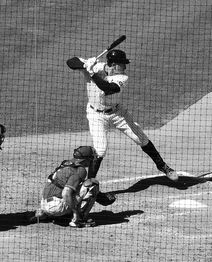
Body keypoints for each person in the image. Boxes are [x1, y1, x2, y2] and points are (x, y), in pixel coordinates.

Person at [69, 49, 179, 182]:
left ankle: (163, 167)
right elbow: (71, 62)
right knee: (100, 149)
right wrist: (84, 65)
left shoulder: (122, 78)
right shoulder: (96, 67)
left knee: (140, 138)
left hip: (117, 114)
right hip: (95, 115)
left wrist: (91, 73)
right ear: (114, 65)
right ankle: (89, 184)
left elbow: (109, 88)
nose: (125, 67)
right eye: (123, 64)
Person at [29, 146, 99, 228]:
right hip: (56, 208)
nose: (92, 160)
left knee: (65, 186)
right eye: (91, 157)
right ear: (85, 159)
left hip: (43, 205)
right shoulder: (80, 170)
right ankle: (78, 219)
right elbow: (66, 193)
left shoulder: (65, 163)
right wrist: (75, 212)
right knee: (92, 184)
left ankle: (45, 214)